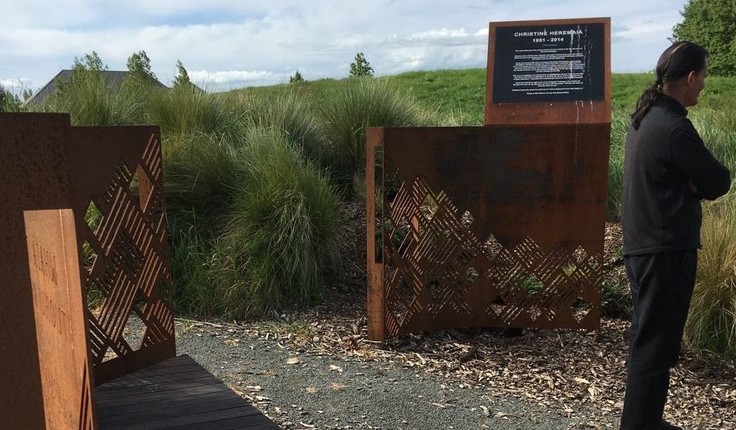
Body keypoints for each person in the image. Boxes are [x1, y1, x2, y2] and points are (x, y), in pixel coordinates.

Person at [620, 41, 731, 430]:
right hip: (665, 250)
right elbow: (719, 180)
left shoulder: (644, 118)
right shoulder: (674, 128)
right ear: (689, 77)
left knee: (648, 339)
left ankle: (645, 420)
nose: (704, 84)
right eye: (703, 76)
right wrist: (696, 186)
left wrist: (690, 184)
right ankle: (640, 425)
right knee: (655, 345)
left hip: (643, 246)